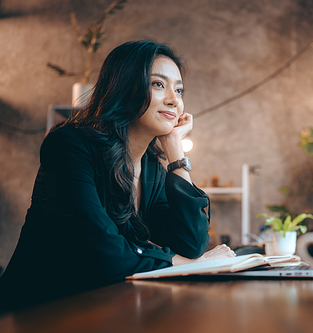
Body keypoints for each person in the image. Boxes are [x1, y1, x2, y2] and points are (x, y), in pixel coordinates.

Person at [0, 40, 235, 312]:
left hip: (100, 310)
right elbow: (105, 253)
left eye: (179, 90)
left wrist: (175, 152)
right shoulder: (69, 146)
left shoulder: (151, 170)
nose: (174, 100)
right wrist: (185, 264)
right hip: (35, 311)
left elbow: (191, 243)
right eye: (158, 84)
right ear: (125, 87)